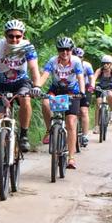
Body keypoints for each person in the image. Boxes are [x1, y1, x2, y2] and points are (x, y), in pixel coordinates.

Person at [0, 19, 41, 168]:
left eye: (18, 36)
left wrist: (37, 86)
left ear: (23, 35)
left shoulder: (27, 47)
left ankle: (24, 134)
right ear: (5, 35)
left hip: (21, 83)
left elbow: (33, 67)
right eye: (11, 36)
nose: (14, 39)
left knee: (25, 99)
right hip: (1, 85)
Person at [37, 37, 85, 169]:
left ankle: (71, 158)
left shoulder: (76, 61)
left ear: (71, 50)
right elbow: (45, 76)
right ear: (58, 50)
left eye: (67, 50)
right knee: (45, 102)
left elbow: (80, 77)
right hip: (56, 90)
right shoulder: (52, 61)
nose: (64, 52)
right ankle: (49, 130)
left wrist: (82, 92)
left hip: (72, 92)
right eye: (61, 50)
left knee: (70, 122)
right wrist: (37, 87)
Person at [91, 54, 112, 124]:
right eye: (104, 63)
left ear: (111, 64)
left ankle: (111, 111)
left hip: (110, 87)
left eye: (107, 63)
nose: (105, 65)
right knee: (98, 104)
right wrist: (92, 86)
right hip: (100, 87)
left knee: (110, 95)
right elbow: (94, 78)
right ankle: (96, 124)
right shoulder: (100, 70)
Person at [74, 47, 94, 146]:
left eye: (80, 57)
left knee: (84, 111)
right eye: (76, 57)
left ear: (83, 58)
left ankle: (85, 135)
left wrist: (91, 86)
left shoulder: (87, 65)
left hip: (85, 89)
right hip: (72, 89)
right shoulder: (68, 65)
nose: (78, 59)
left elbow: (91, 77)